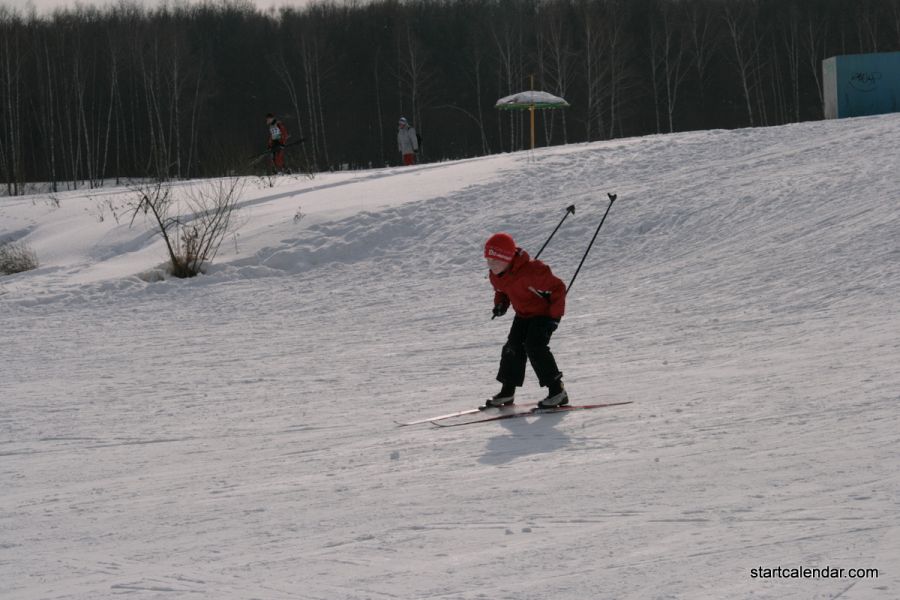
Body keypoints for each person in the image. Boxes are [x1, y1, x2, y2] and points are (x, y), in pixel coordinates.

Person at [484, 232, 568, 409]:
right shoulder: (496, 274)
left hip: (544, 314)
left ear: (508, 259)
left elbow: (558, 288)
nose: (491, 266)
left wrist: (554, 317)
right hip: (523, 314)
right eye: (489, 261)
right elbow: (502, 290)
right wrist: (500, 305)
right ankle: (507, 392)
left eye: (496, 261)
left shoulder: (533, 272)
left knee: (534, 347)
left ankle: (557, 391)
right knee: (512, 348)